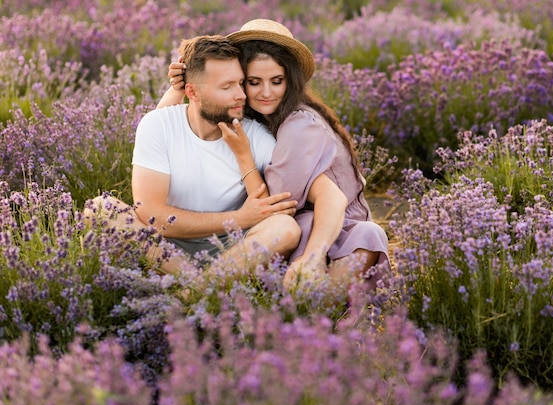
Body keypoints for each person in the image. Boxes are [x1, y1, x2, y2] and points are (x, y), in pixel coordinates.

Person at [160, 20, 390, 289]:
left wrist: (244, 158)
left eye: (277, 81)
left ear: (289, 80)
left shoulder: (299, 125)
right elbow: (161, 131)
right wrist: (182, 87)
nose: (266, 93)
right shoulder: (256, 118)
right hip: (288, 227)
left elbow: (276, 207)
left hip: (327, 231)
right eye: (254, 82)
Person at [85, 34, 301, 276]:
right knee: (100, 208)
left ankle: (193, 288)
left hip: (232, 249)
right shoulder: (159, 124)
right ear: (193, 92)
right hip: (165, 246)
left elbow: (272, 211)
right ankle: (200, 285)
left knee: (286, 228)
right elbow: (152, 215)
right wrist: (239, 218)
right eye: (227, 86)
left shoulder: (257, 136)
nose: (241, 94)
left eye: (240, 83)